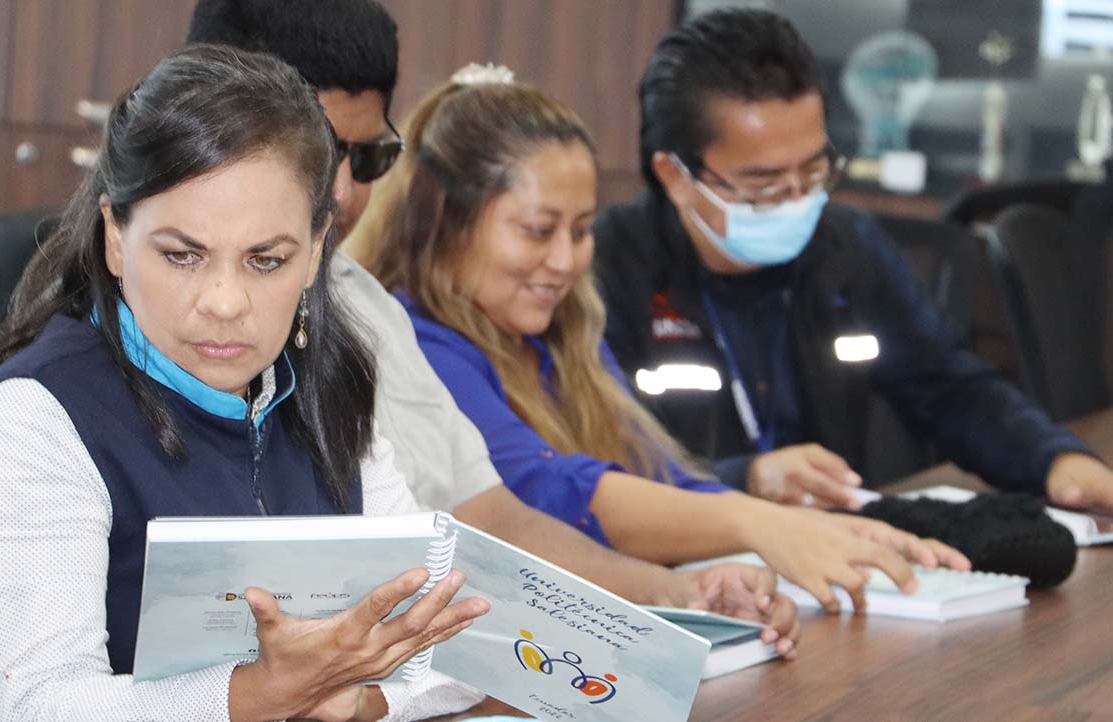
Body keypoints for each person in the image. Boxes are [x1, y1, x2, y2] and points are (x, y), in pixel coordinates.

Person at [185, 0, 806, 638]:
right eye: (316, 150)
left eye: (366, 159)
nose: (342, 194)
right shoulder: (154, 323)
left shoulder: (365, 309)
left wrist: (682, 591)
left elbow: (488, 517)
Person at [0, 46, 490, 722]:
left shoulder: (327, 389)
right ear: (115, 238)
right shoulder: (29, 425)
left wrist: (357, 702)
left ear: (316, 249)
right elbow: (36, 704)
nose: (225, 301)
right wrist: (261, 695)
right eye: (181, 255)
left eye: (267, 259)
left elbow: (458, 643)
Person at [352, 69, 971, 613]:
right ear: (444, 224)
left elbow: (661, 474)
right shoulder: (419, 344)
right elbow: (542, 489)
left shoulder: (563, 336)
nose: (566, 261)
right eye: (539, 231)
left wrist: (815, 529)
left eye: (583, 230)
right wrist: (756, 524)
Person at [593, 8, 1113, 525]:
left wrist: (1055, 460)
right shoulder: (604, 273)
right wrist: (742, 478)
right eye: (764, 185)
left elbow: (949, 385)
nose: (799, 199)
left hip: (829, 570)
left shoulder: (845, 246)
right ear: (675, 176)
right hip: (676, 580)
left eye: (813, 169)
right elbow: (592, 471)